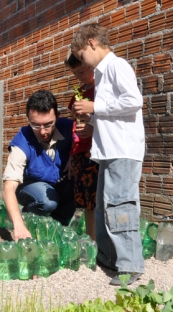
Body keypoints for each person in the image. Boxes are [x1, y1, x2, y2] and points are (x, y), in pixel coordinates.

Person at [70, 23, 146, 285]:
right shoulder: (103, 73)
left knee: (120, 205)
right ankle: (108, 257)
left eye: (81, 56)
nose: (83, 63)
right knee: (104, 206)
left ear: (91, 43)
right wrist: (90, 122)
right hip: (110, 151)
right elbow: (115, 114)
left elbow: (134, 101)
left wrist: (95, 105)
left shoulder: (117, 66)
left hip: (123, 151)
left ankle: (130, 264)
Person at [2, 90, 75, 242]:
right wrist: (18, 224)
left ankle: (58, 225)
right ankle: (28, 219)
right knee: (47, 200)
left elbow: (92, 137)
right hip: (30, 188)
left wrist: (76, 152)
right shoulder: (22, 141)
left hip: (61, 185)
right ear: (28, 119)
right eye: (35, 125)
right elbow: (8, 187)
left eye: (48, 124)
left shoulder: (71, 129)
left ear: (57, 116)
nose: (42, 131)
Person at [64, 52, 99, 240]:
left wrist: (94, 128)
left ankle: (98, 241)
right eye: (76, 73)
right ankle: (91, 239)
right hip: (79, 153)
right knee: (85, 202)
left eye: (83, 70)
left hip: (94, 153)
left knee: (95, 201)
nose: (80, 76)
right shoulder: (78, 94)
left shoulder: (101, 91)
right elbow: (73, 126)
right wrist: (72, 153)